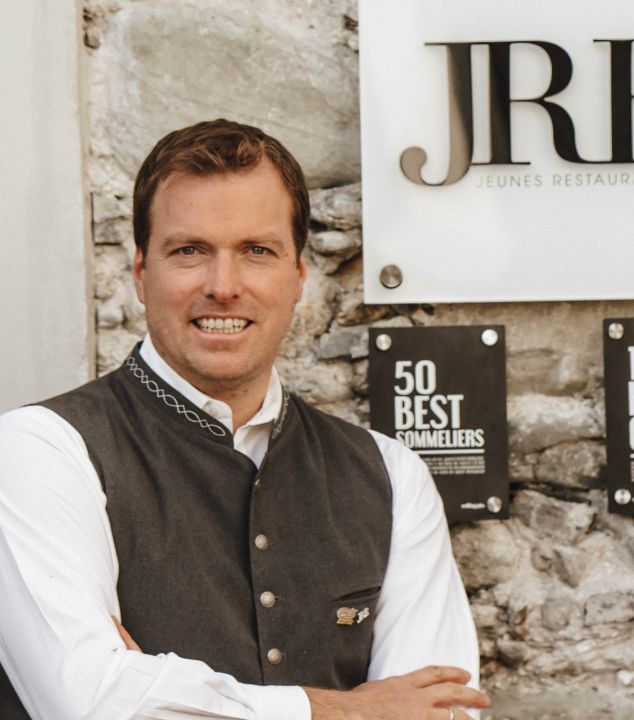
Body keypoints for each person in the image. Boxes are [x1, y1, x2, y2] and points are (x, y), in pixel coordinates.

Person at [0, 119, 491, 720]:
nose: (224, 286)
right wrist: (348, 711)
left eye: (257, 251)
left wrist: (160, 695)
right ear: (141, 274)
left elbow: (441, 711)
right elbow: (88, 703)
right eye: (189, 251)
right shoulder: (43, 451)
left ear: (298, 277)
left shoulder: (392, 476)